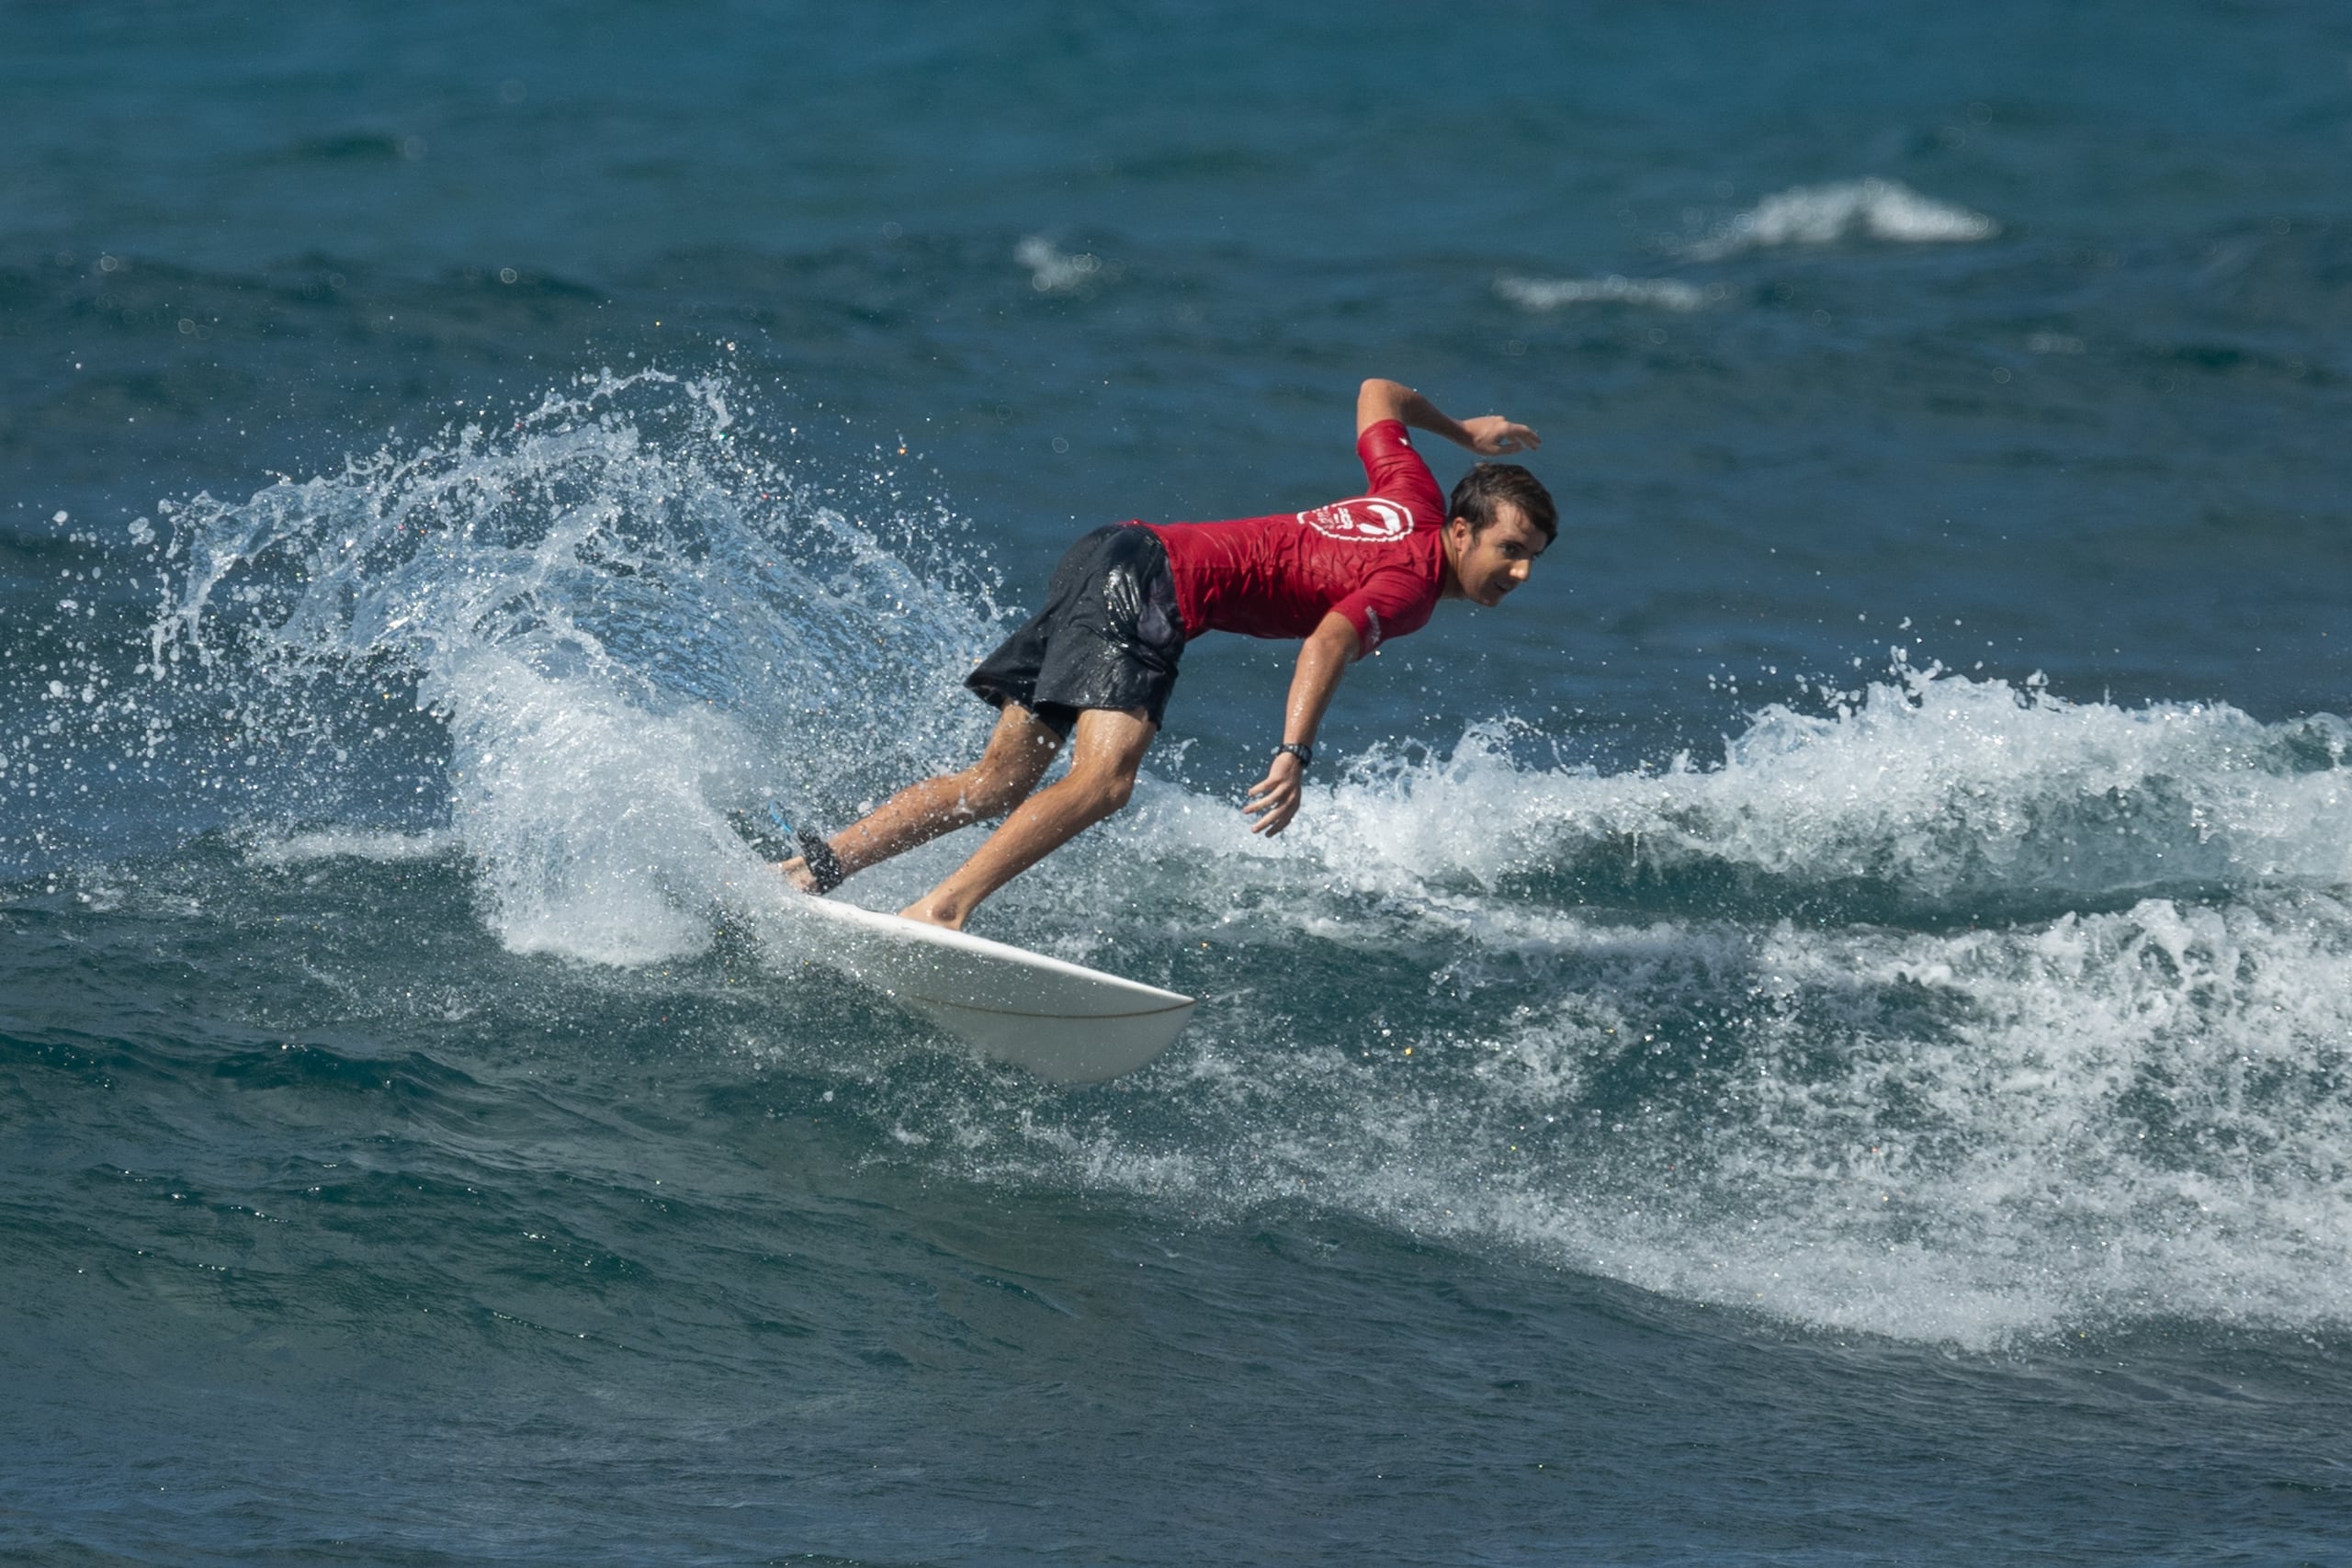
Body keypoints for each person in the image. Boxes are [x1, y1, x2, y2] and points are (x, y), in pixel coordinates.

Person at [776, 378, 1554, 930]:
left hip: (1115, 549)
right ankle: (941, 909)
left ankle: (812, 869)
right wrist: (1294, 752)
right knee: (1105, 783)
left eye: (1533, 559)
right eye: (1510, 549)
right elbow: (1330, 639)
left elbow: (1378, 393)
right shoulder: (1412, 585)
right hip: (1154, 584)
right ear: (1461, 531)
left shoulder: (1413, 489)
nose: (1519, 573)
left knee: (998, 780)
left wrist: (1463, 433)